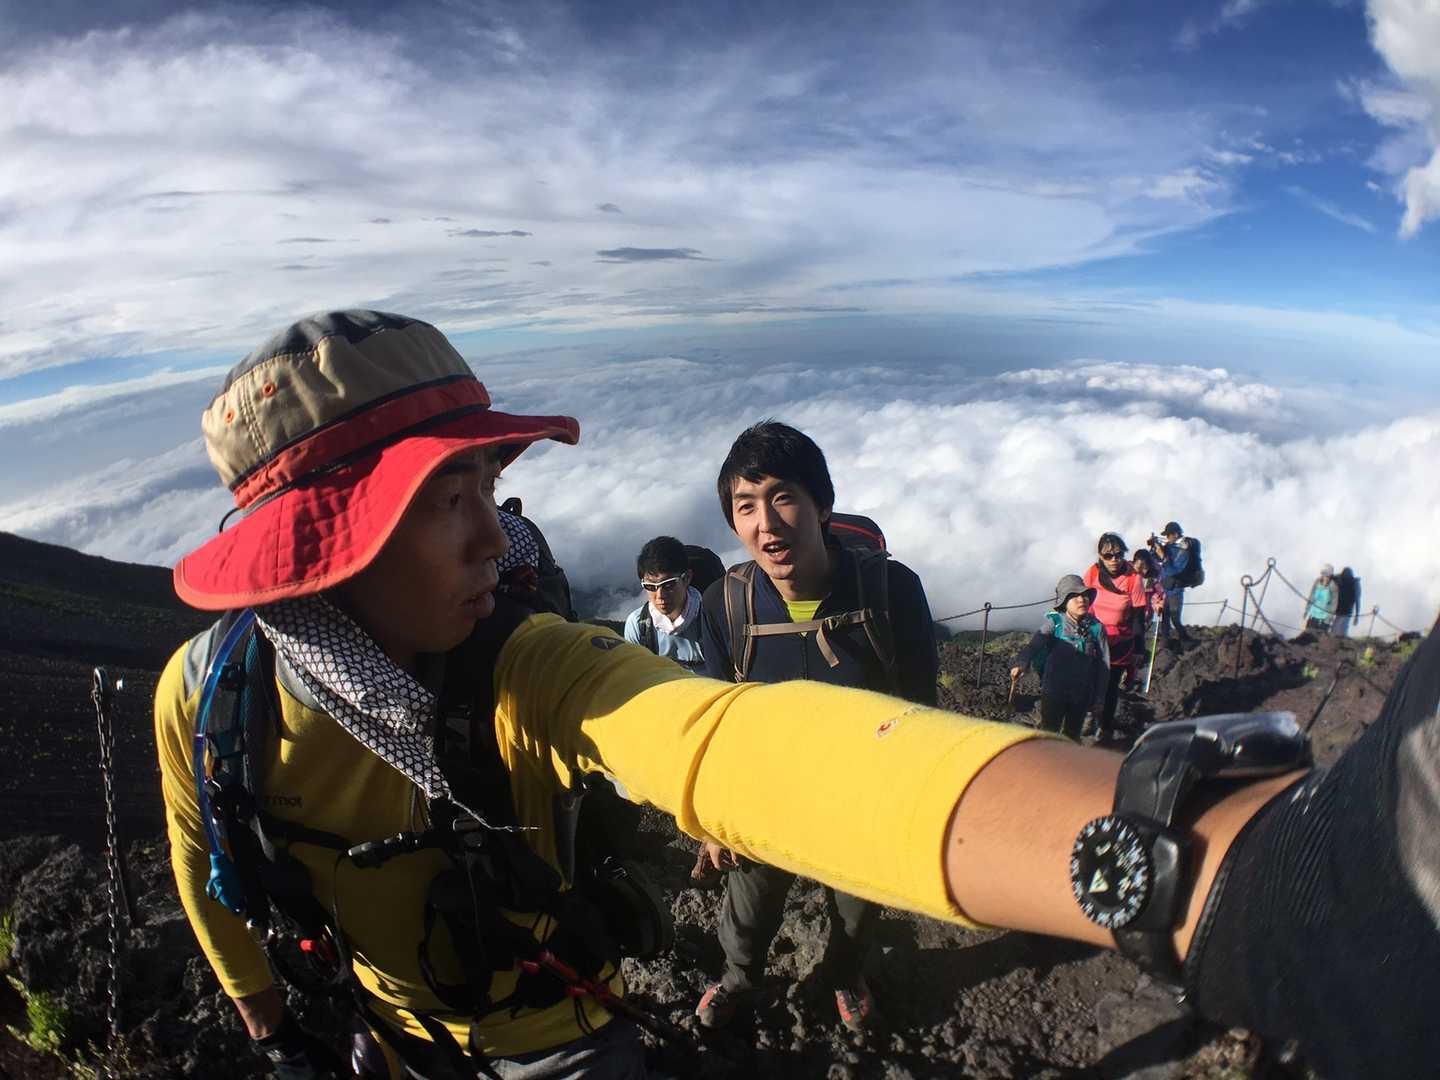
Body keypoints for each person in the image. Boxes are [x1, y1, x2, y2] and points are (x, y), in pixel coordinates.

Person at [156, 311, 1440, 1080]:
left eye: (486, 489)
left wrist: (1215, 867)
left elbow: (737, 744)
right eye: (446, 501)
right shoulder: (204, 700)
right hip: (387, 1042)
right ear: (324, 550)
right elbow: (211, 871)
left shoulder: (526, 661)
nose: (496, 536)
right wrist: (272, 1032)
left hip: (561, 1032)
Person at [692, 421, 938, 1033]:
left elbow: (924, 711)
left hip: (860, 799)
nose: (766, 524)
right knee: (747, 913)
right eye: (745, 506)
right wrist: (711, 819)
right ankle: (737, 980)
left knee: (856, 913)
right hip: (762, 797)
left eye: (783, 498)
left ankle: (845, 975)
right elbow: (718, 720)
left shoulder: (891, 591)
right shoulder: (726, 604)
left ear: (822, 505)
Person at [1010, 575, 1110, 739]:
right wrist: (1021, 663)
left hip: (1082, 693)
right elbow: (1034, 645)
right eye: (1074, 596)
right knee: (1049, 731)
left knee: (1073, 735)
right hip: (1053, 690)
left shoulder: (1096, 628)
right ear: (1064, 602)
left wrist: (1099, 698)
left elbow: (1104, 665)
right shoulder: (1055, 623)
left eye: (1084, 595)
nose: (1081, 599)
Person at [1082, 534, 1147, 739]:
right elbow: (1082, 601)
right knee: (1089, 680)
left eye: (1118, 555)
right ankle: (1090, 715)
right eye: (1108, 555)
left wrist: (1139, 650)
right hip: (1093, 638)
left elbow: (1138, 617)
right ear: (1100, 556)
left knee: (1110, 686)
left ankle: (1105, 725)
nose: (1114, 560)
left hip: (1120, 643)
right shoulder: (1093, 573)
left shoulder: (1133, 578)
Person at [621, 536, 705, 672]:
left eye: (669, 584)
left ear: (687, 578)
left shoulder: (711, 618)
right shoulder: (638, 625)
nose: (660, 595)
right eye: (650, 586)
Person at [1148, 522, 1193, 648]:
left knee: (1174, 617)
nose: (1167, 538)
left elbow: (1175, 571)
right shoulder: (1169, 547)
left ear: (1176, 534)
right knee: (1165, 616)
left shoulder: (1184, 551)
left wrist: (1163, 556)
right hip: (1166, 589)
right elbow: (1154, 559)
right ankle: (1165, 641)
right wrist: (1154, 547)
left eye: (1168, 535)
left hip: (1176, 590)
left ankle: (1185, 639)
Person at [1304, 564, 1339, 632]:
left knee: (1319, 637)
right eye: (1323, 574)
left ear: (1330, 575)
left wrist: (1328, 619)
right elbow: (1311, 596)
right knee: (1308, 635)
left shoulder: (1333, 586)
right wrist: (1307, 610)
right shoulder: (1317, 582)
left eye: (1327, 575)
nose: (1325, 577)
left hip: (1324, 619)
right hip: (1313, 615)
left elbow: (1334, 604)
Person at [1332, 566, 1361, 637]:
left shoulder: (1355, 584)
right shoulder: (1341, 579)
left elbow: (1357, 600)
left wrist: (1357, 616)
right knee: (1336, 630)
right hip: (1340, 611)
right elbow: (1333, 577)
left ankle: (1343, 641)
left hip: (1347, 612)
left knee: (1339, 630)